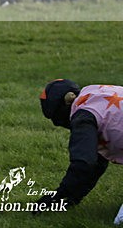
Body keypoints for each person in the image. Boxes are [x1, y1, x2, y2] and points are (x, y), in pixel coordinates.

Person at [37, 79, 123, 216]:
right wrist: (74, 197)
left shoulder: (83, 116)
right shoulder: (94, 93)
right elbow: (96, 163)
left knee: (119, 222)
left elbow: (83, 163)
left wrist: (58, 194)